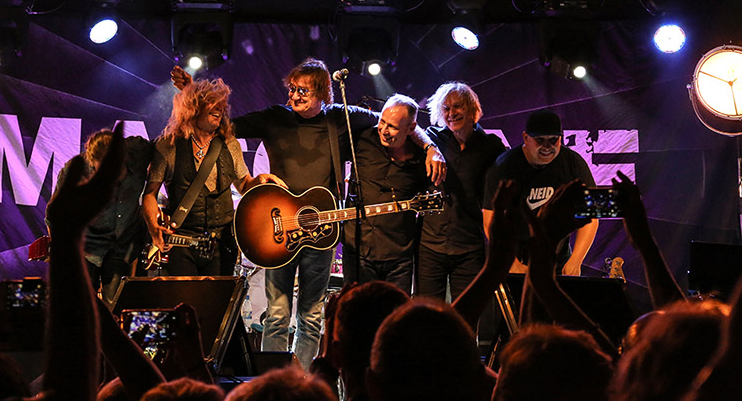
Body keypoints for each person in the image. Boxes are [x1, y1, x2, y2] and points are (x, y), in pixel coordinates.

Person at [172, 59, 445, 368]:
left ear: (323, 92)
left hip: (321, 234)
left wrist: (431, 148)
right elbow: (222, 123)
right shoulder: (275, 117)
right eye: (292, 88)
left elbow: (396, 121)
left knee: (312, 317)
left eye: (303, 90)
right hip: (279, 232)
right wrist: (192, 93)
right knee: (277, 315)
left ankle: (303, 383)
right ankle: (275, 381)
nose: (295, 95)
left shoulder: (340, 117)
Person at [143, 77, 283, 277]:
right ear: (193, 108)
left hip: (222, 244)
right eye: (213, 104)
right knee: (185, 305)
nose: (220, 109)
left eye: (222, 105)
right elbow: (150, 193)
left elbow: (244, 184)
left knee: (217, 305)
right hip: (182, 243)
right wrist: (153, 227)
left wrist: (259, 181)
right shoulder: (168, 145)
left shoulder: (230, 144)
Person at [482, 110, 598, 276]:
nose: (547, 147)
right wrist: (513, 263)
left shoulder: (573, 162)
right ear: (525, 138)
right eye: (540, 140)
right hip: (515, 257)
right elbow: (490, 221)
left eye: (553, 140)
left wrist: (575, 261)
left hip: (557, 260)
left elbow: (591, 217)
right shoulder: (504, 166)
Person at [419, 82, 505, 300]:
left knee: (466, 316)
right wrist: (429, 148)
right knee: (427, 314)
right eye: (446, 108)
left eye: (457, 106)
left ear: (472, 109)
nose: (451, 113)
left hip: (470, 246)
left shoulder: (491, 146)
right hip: (430, 245)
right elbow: (411, 128)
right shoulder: (431, 138)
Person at [53, 130, 153, 306]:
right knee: (84, 306)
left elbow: (168, 143)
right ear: (92, 164)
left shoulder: (139, 150)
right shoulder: (74, 171)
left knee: (117, 305)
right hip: (87, 247)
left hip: (124, 244)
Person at [342, 94, 431, 293]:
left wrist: (431, 148)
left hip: (398, 257)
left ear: (410, 128)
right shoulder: (363, 139)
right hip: (358, 251)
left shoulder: (422, 159)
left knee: (393, 320)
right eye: (382, 122)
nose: (384, 130)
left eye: (393, 126)